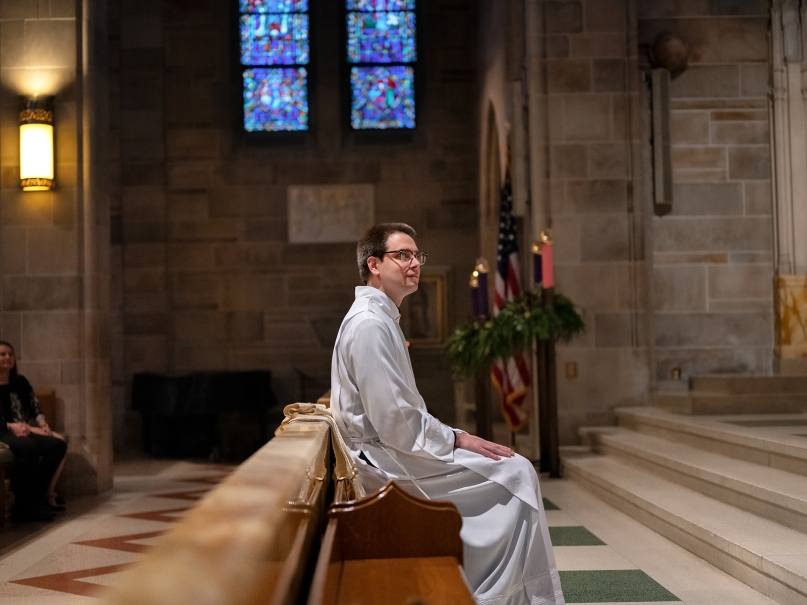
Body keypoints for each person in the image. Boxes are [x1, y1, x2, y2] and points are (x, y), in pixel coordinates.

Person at [330, 223, 565, 605]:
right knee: (517, 474)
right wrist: (458, 437)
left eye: (417, 256)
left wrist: (453, 436)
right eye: (402, 255)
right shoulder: (370, 325)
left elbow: (401, 416)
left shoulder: (379, 317)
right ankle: (492, 596)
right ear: (373, 264)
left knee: (514, 470)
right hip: (383, 464)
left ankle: (498, 590)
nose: (414, 264)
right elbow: (397, 423)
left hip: (388, 450)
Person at [0, 341, 67, 522]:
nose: (7, 358)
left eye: (10, 354)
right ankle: (24, 506)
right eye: (2, 354)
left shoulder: (20, 382)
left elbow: (34, 405)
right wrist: (11, 426)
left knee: (57, 445)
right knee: (29, 448)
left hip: (25, 428)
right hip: (3, 431)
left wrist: (42, 423)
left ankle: (36, 499)